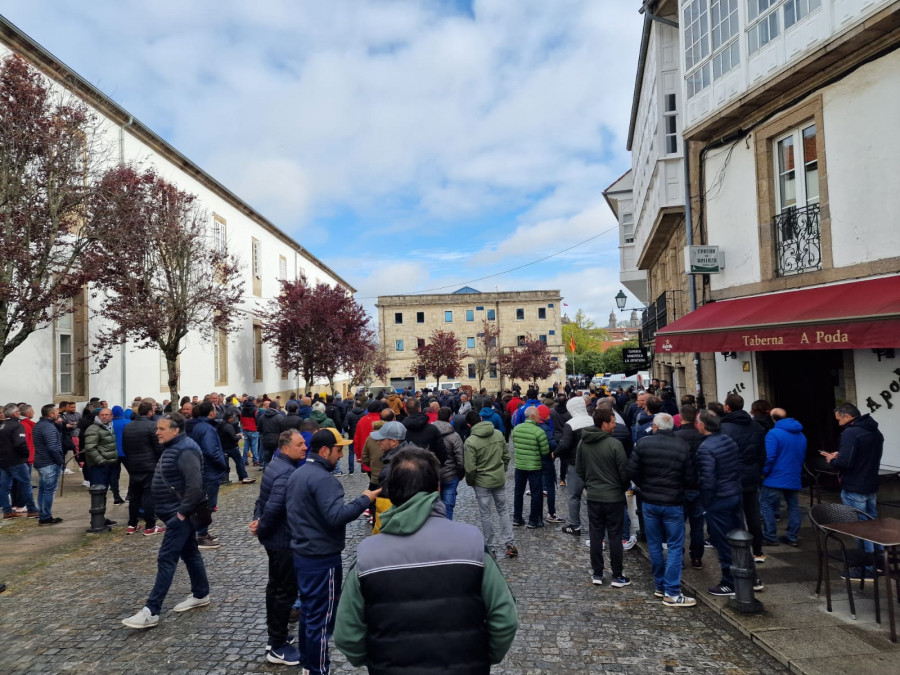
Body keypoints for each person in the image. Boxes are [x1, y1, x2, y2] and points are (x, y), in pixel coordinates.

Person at [334, 446, 518, 673]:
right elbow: (505, 618)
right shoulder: (472, 543)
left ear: (391, 491)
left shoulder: (367, 555)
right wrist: (481, 656)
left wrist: (377, 660)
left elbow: (346, 634)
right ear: (437, 488)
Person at [285, 429, 380, 675]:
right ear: (325, 450)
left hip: (304, 553)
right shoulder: (324, 479)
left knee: (309, 613)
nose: (341, 455)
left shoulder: (299, 473)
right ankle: (318, 670)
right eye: (339, 450)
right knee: (322, 620)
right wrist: (364, 499)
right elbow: (336, 516)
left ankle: (308, 664)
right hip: (321, 558)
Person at [122, 412, 210, 629]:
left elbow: (195, 486)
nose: (157, 432)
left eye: (161, 429)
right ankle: (200, 594)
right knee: (190, 554)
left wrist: (181, 513)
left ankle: (152, 610)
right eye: (157, 428)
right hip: (174, 514)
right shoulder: (174, 446)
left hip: (179, 516)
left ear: (175, 430)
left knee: (166, 559)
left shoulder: (186, 449)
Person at [251, 430, 307, 666]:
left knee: (275, 588)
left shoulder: (276, 465)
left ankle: (277, 634)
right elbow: (272, 508)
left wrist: (258, 520)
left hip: (276, 539)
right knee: (284, 591)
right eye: (300, 444)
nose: (305, 447)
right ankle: (277, 647)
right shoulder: (286, 472)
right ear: (285, 448)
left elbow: (261, 502)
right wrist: (262, 526)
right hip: (283, 541)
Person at [628, 413, 696, 607]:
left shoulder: (643, 443)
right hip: (673, 502)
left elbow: (632, 470)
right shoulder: (682, 446)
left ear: (655, 427)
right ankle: (672, 591)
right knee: (674, 545)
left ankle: (660, 585)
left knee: (654, 544)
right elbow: (691, 477)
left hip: (649, 501)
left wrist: (644, 486)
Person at [696, 410, 756, 597]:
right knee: (740, 539)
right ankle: (750, 576)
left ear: (703, 425)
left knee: (723, 541)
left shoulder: (706, 448)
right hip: (734, 493)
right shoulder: (728, 440)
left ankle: (729, 582)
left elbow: (707, 480)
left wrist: (706, 503)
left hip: (719, 499)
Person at [823, 402, 885, 558]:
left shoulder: (850, 433)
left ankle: (867, 563)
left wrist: (833, 460)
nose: (838, 423)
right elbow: (863, 454)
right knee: (872, 522)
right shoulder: (874, 431)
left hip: (854, 483)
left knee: (859, 526)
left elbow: (845, 463)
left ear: (847, 416)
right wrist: (842, 453)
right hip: (870, 482)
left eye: (839, 420)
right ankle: (878, 558)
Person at [579, 407, 631, 588]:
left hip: (594, 495)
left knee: (596, 534)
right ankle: (617, 575)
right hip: (613, 497)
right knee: (615, 536)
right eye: (612, 421)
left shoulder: (583, 443)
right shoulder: (614, 445)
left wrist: (590, 484)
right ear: (604, 424)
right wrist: (621, 487)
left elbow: (580, 469)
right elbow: (624, 472)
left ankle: (598, 573)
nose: (615, 424)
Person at [464, 409, 518, 559]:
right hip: (498, 479)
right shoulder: (498, 434)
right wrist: (502, 470)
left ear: (469, 425)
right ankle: (510, 544)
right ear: (481, 418)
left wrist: (471, 482)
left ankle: (491, 547)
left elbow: (470, 468)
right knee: (503, 511)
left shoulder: (470, 442)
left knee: (486, 514)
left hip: (482, 482)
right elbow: (506, 456)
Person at [721, 393, 767, 564]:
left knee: (734, 513)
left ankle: (736, 548)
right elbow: (762, 454)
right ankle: (758, 550)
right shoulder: (756, 426)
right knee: (753, 513)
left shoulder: (724, 428)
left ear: (727, 407)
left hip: (733, 476)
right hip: (752, 475)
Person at [759, 407, 807, 548]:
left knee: (765, 503)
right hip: (793, 474)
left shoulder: (773, 434)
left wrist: (764, 472)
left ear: (772, 418)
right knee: (793, 506)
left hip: (775, 476)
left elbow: (769, 457)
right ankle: (792, 536)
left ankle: (770, 536)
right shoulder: (801, 434)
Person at [186, 401, 227, 549]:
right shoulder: (207, 428)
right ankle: (202, 535)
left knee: (201, 503)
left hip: (197, 468)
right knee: (208, 504)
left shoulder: (193, 425)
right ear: (211, 413)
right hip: (208, 470)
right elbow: (211, 451)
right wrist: (222, 463)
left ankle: (202, 532)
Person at [121, 399, 165, 535]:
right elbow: (158, 448)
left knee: (134, 496)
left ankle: (132, 524)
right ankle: (150, 525)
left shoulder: (128, 426)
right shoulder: (152, 426)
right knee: (148, 496)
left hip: (133, 465)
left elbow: (125, 447)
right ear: (150, 412)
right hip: (149, 465)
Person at [555, 394, 594, 536]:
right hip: (593, 463)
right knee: (593, 496)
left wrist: (555, 453)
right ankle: (596, 524)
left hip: (575, 463)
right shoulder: (592, 420)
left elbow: (565, 444)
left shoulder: (571, 424)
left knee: (574, 496)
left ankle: (575, 525)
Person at [674, 404, 706, 569]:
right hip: (699, 485)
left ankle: (678, 557)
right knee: (697, 524)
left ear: (681, 416)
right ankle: (697, 557)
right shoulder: (702, 436)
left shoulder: (675, 437)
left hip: (681, 486)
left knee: (678, 525)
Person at [511, 406, 550, 529]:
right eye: (538, 414)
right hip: (534, 466)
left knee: (518, 492)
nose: (540, 416)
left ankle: (517, 518)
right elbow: (545, 451)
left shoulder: (516, 429)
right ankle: (533, 520)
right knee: (536, 493)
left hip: (520, 465)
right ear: (533, 416)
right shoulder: (539, 431)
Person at [0, 403, 38, 519]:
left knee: (4, 487)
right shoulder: (17, 426)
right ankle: (32, 509)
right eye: (18, 412)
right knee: (25, 484)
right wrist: (25, 455)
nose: (19, 413)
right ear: (14, 413)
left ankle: (7, 510)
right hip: (16, 460)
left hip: (3, 460)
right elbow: (20, 443)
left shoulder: (2, 426)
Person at [83, 407, 122, 521]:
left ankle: (101, 517)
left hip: (109, 464)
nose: (104, 416)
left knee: (103, 491)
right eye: (102, 415)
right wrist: (100, 460)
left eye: (107, 414)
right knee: (98, 491)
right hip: (99, 466)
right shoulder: (93, 429)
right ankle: (97, 520)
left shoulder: (109, 427)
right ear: (98, 416)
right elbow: (90, 448)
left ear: (111, 416)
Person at [32, 404, 64, 524]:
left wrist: (59, 426)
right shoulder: (48, 428)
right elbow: (52, 447)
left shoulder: (39, 425)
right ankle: (45, 516)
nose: (58, 413)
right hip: (49, 463)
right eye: (56, 412)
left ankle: (42, 513)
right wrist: (60, 461)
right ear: (51, 414)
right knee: (48, 490)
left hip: (41, 461)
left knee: (43, 489)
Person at [433, 406, 465, 520]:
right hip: (450, 475)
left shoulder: (430, 432)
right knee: (448, 506)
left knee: (433, 507)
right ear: (450, 418)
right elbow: (460, 458)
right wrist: (460, 474)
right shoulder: (455, 436)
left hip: (433, 475)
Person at [218, 410, 255, 485]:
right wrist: (239, 436)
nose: (234, 419)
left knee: (225, 464)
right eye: (233, 417)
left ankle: (225, 479)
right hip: (231, 447)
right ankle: (243, 477)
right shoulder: (228, 426)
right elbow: (234, 438)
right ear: (230, 418)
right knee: (239, 462)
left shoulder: (220, 425)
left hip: (222, 447)